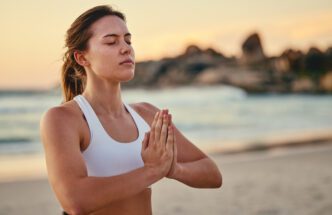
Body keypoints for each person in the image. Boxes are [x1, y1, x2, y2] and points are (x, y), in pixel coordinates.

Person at [40, 5, 222, 215]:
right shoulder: (64, 119)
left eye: (128, 40)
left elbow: (212, 174)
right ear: (82, 58)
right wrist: (152, 170)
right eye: (111, 41)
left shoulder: (146, 115)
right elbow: (75, 201)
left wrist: (173, 169)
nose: (126, 48)